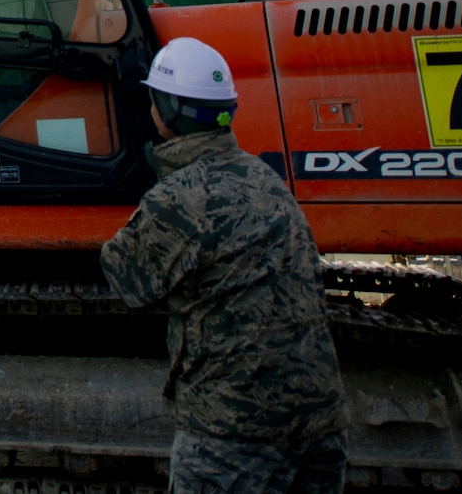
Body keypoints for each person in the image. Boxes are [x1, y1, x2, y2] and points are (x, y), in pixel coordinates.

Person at [99, 37, 347, 494]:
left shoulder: (178, 200)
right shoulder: (264, 177)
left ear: (166, 111)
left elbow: (124, 276)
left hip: (233, 432)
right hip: (319, 425)